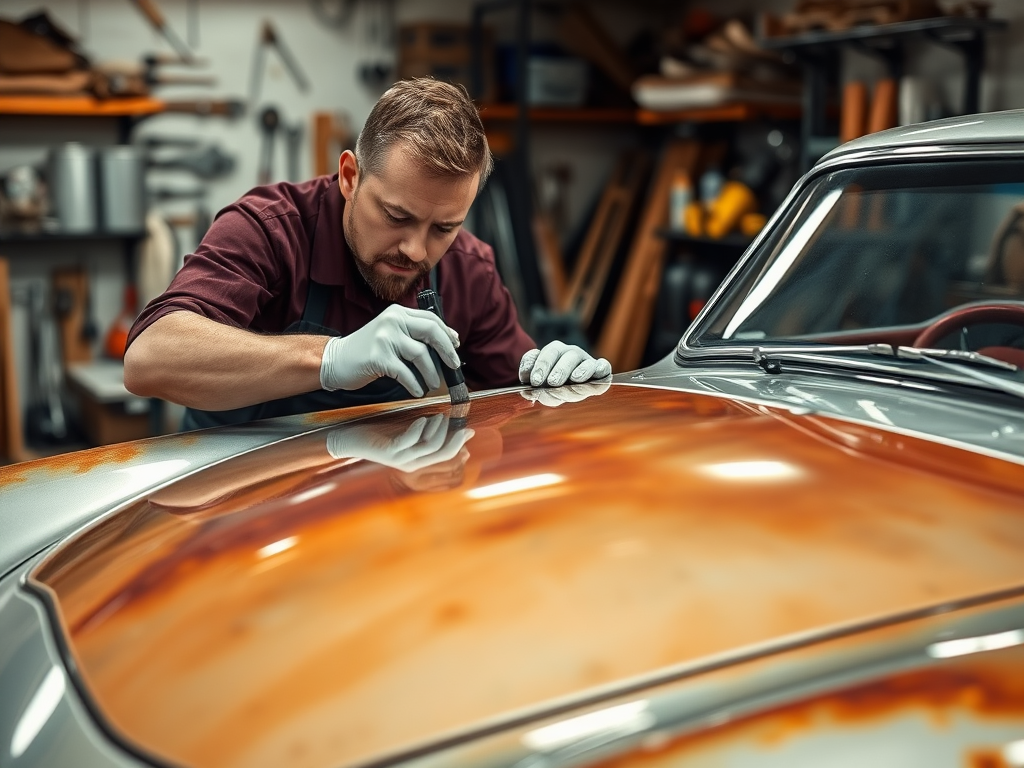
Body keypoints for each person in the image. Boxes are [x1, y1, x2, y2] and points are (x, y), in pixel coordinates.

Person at [123, 78, 611, 430]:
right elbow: (149, 358)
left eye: (444, 227)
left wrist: (557, 386)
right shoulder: (270, 230)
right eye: (397, 217)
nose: (417, 249)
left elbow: (514, 415)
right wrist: (330, 358)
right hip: (228, 505)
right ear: (350, 176)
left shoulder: (468, 269)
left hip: (368, 516)